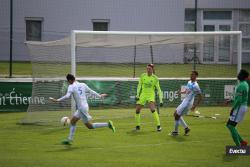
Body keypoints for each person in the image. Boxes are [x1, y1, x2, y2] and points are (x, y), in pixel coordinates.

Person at [50, 74, 115, 145]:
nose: (68, 82)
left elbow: (67, 96)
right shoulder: (83, 84)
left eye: (68, 81)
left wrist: (57, 100)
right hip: (85, 106)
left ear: (70, 80)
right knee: (72, 122)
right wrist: (99, 96)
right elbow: (91, 91)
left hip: (81, 108)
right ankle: (69, 140)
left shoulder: (71, 86)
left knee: (89, 126)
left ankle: (108, 124)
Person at [169, 71, 202, 136]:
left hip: (188, 104)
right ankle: (186, 128)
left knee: (177, 116)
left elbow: (200, 97)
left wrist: (194, 106)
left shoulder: (196, 86)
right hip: (184, 101)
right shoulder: (189, 82)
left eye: (192, 75)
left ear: (196, 76)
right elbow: (186, 91)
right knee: (176, 114)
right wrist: (181, 92)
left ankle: (176, 132)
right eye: (190, 74)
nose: (191, 75)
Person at [135, 64, 163, 132]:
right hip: (143, 95)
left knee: (152, 109)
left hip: (150, 95)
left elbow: (159, 89)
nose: (148, 70)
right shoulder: (143, 76)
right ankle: (138, 126)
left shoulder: (155, 78)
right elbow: (139, 86)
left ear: (152, 69)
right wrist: (137, 95)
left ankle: (158, 126)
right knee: (137, 110)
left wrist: (161, 100)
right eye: (147, 68)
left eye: (149, 69)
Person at [226, 69, 249, 146]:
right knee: (230, 125)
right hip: (242, 106)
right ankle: (242, 142)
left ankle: (239, 146)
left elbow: (239, 100)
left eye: (240, 73)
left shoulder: (241, 85)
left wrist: (233, 108)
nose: (238, 75)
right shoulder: (245, 84)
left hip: (239, 107)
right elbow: (240, 97)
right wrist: (231, 100)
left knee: (230, 126)